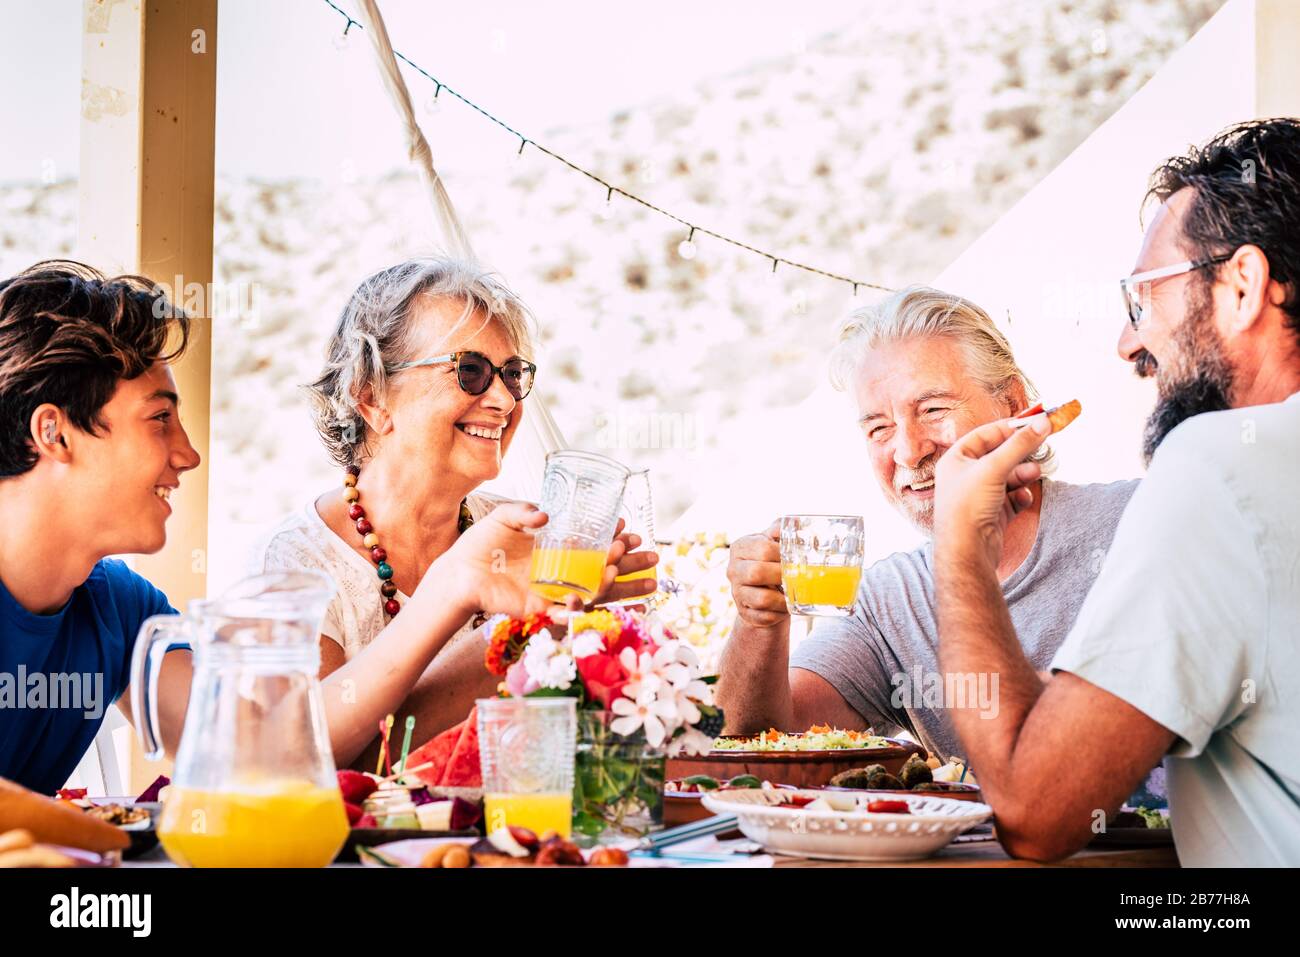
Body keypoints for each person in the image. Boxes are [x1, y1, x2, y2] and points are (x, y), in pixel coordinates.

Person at [933, 118, 1300, 865]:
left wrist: (958, 547)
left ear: (1242, 286)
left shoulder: (1219, 465)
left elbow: (1037, 811)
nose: (1128, 342)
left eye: (1143, 299)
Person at [250, 258, 656, 766]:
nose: (505, 399)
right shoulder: (295, 564)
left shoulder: (529, 539)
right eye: (471, 371)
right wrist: (501, 628)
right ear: (373, 397)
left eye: (513, 374)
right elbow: (305, 761)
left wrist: (587, 633)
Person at [717, 286, 1137, 763]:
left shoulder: (1139, 521)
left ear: (1014, 404)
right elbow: (760, 741)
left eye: (933, 409)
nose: (908, 450)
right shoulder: (885, 602)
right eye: (879, 428)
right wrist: (759, 622)